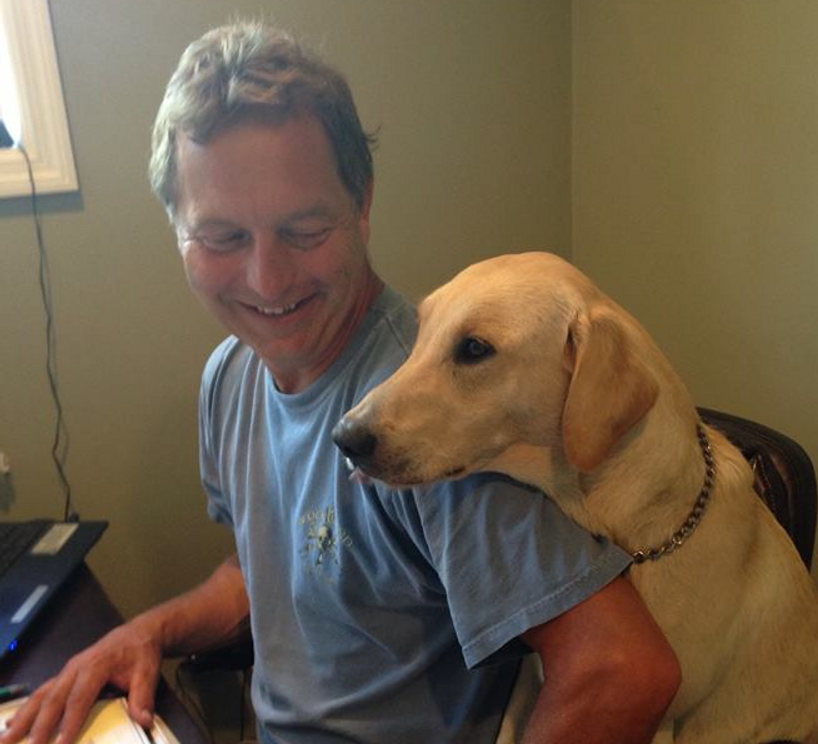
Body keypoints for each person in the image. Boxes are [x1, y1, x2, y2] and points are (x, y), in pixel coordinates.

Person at [0, 21, 680, 744]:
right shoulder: (230, 374)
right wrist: (146, 632)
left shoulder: (443, 424)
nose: (268, 280)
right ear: (177, 232)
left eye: (305, 230)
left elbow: (624, 669)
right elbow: (266, 578)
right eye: (223, 237)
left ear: (362, 206)